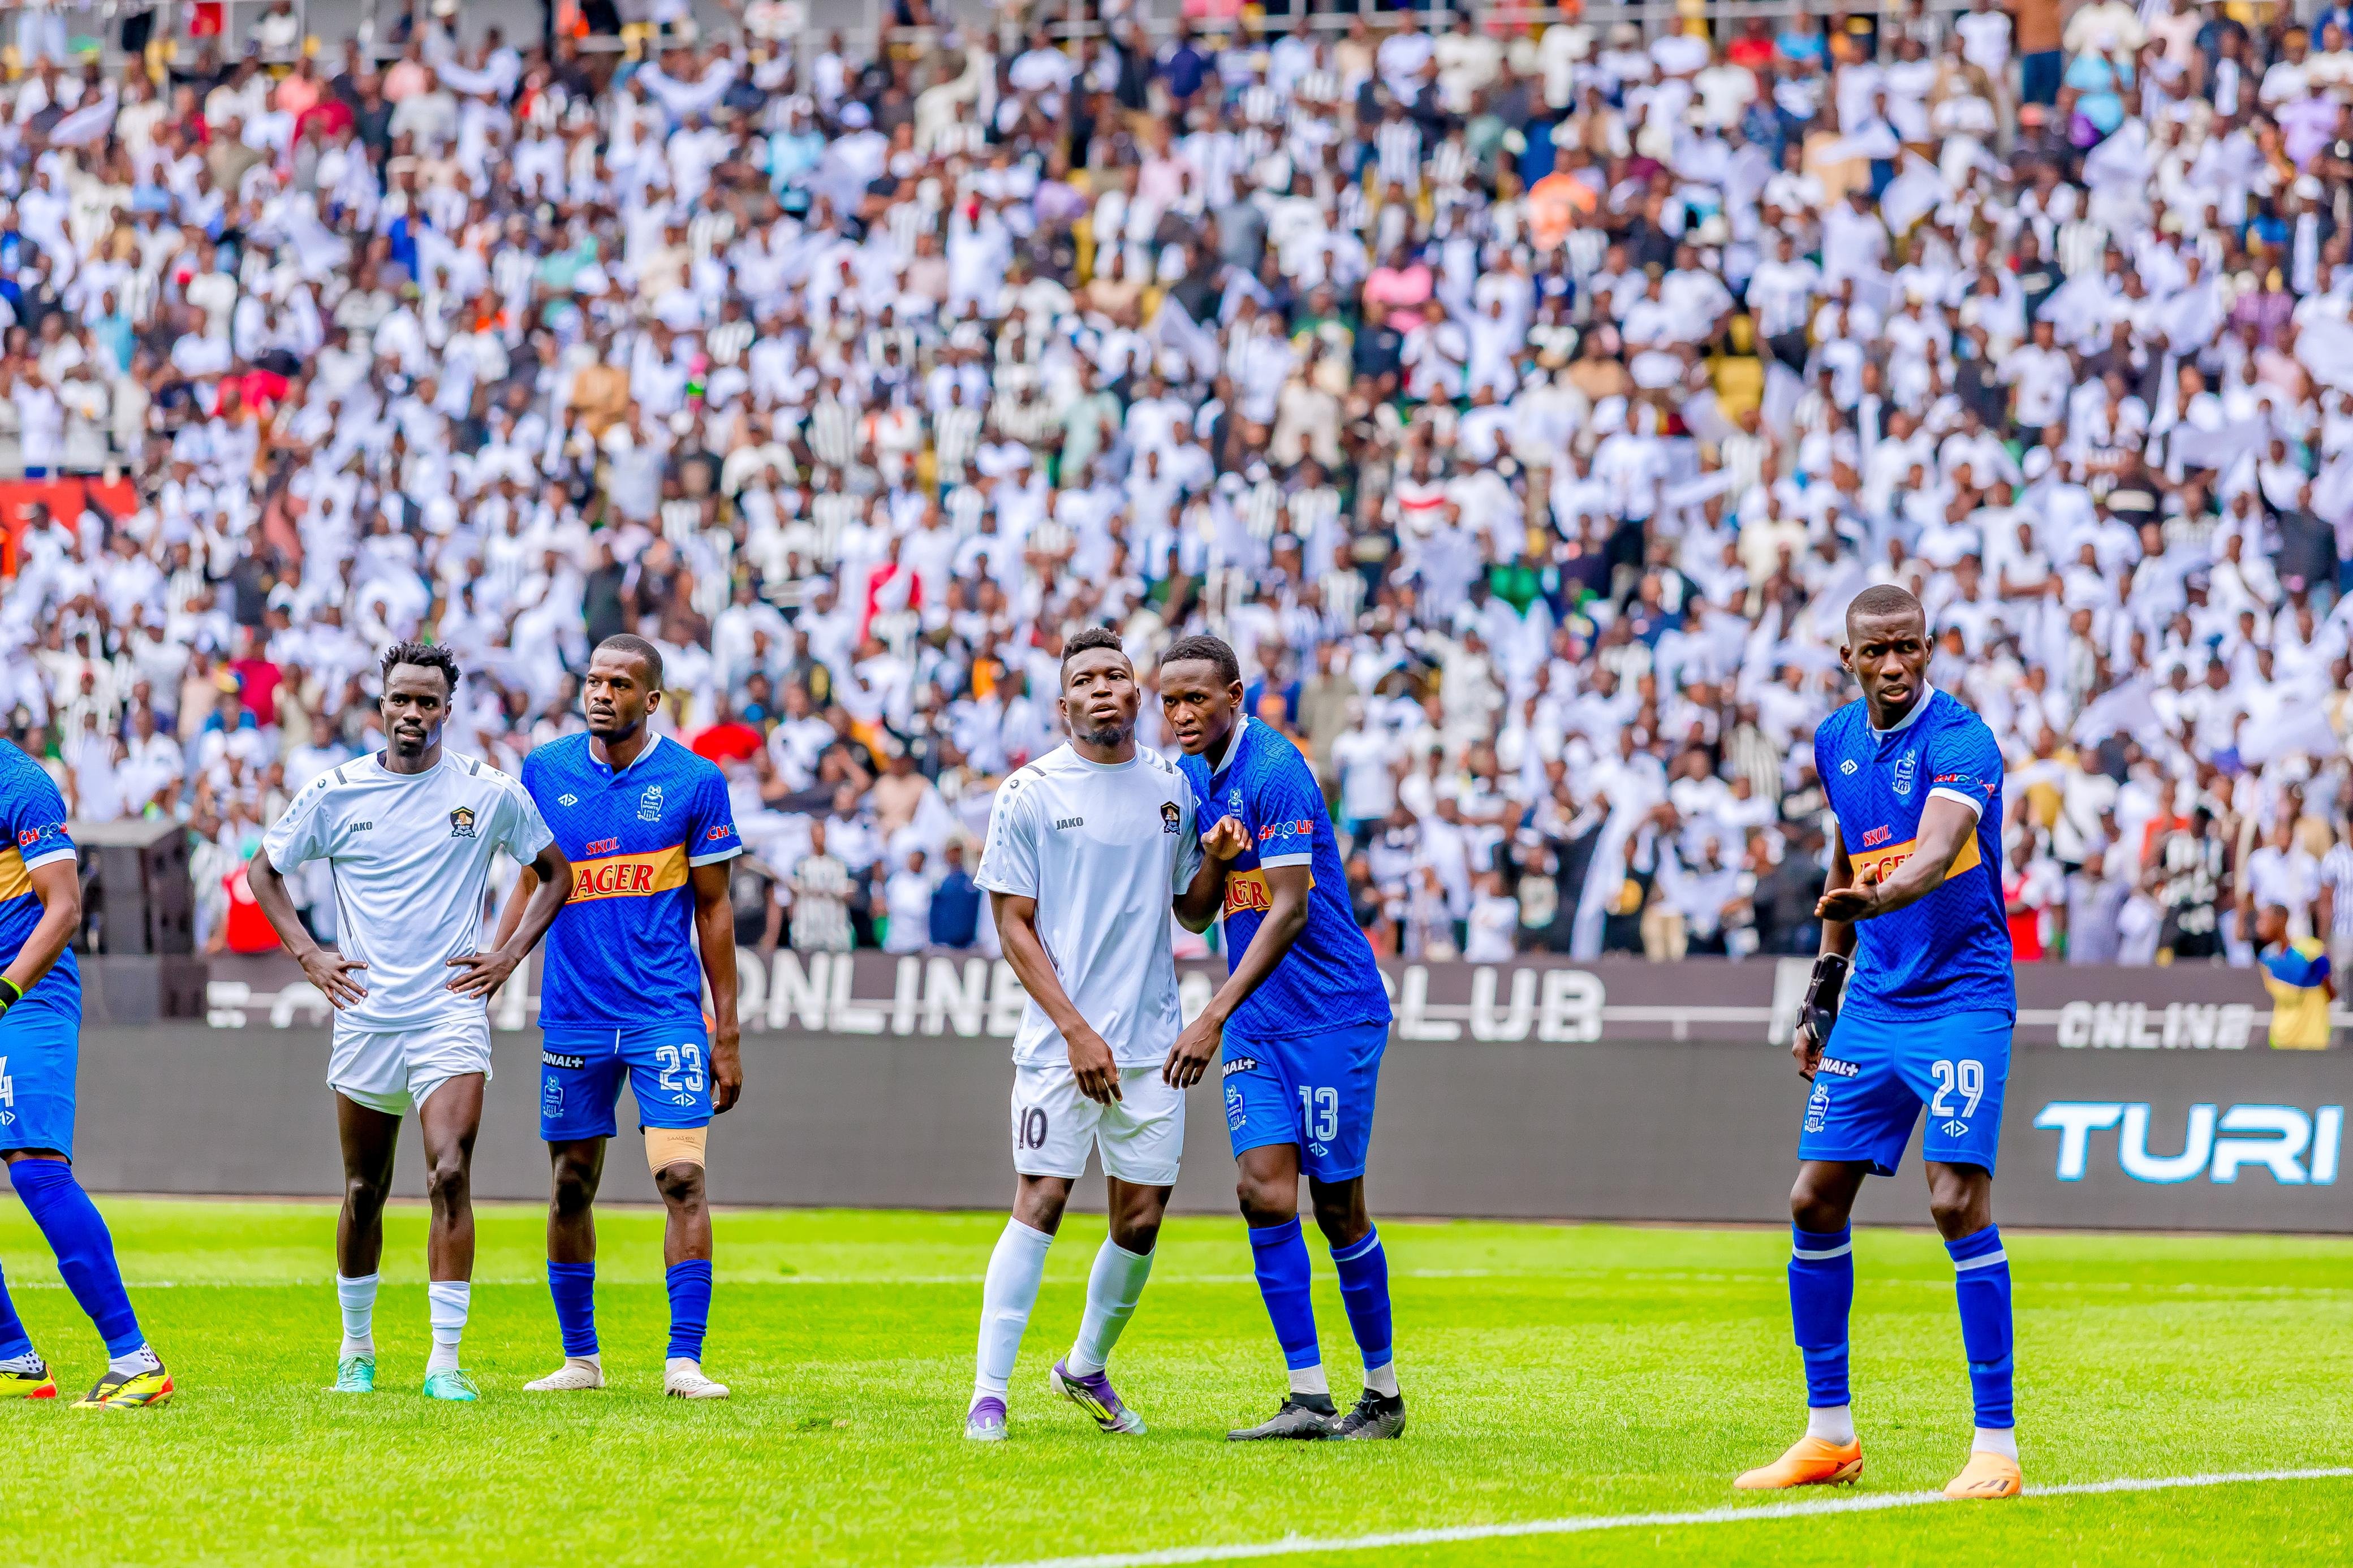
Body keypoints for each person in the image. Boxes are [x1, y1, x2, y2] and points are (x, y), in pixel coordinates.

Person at [1737, 585, 2022, 1500]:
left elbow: (1934, 851)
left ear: (1930, 648)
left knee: (1953, 1197)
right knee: (1814, 1199)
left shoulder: (1962, 740)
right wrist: (1824, 984)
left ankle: (1996, 1446)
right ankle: (1829, 1436)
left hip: (1963, 999)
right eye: (1876, 652)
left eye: (1909, 649)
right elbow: (1846, 850)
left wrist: (1878, 899)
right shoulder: (1835, 740)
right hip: (1874, 1002)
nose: (1894, 665)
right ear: (1849, 656)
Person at [247, 642, 574, 1402]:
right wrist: (309, 955)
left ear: (447, 712)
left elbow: (556, 872)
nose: (414, 715)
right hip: (366, 1016)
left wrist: (507, 956)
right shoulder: (336, 793)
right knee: (365, 1187)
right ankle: (355, 1349)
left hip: (448, 1013)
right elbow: (264, 869)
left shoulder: (487, 792)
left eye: (428, 703)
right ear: (382, 704)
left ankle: (444, 1362)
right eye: (402, 700)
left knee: (450, 1172)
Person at [963, 626, 1221, 1441]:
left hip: (1151, 1043)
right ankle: (988, 1393)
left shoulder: (1173, 785)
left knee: (1141, 1220)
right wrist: (1075, 1031)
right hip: (1059, 1046)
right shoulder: (1030, 791)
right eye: (1087, 678)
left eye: (1118, 674)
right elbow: (1013, 925)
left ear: (1136, 693)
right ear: (1064, 701)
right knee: (1040, 1199)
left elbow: (1192, 910)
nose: (1104, 687)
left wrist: (1215, 857)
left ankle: (1085, 1365)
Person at [1158, 633, 1406, 1442]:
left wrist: (1211, 1012)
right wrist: (1216, 860)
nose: (1181, 713)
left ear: (1237, 695)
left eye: (1197, 698)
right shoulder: (1196, 777)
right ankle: (1307, 1396)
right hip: (1261, 1020)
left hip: (1332, 1010)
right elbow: (1195, 912)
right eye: (1170, 700)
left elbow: (1291, 908)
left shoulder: (1275, 769)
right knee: (1262, 1191)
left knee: (1336, 1207)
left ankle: (1384, 1395)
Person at [493, 634, 745, 1400]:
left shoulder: (696, 782)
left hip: (665, 1015)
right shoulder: (545, 770)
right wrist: (493, 967)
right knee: (571, 1183)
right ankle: (580, 1360)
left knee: (681, 1179)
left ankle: (684, 1361)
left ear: (652, 699)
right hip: (572, 1014)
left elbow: (716, 911)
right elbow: (534, 882)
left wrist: (724, 1030)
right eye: (594, 680)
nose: (601, 693)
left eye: (620, 683)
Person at [0, 740, 173, 1407]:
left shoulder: (20, 783)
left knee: (36, 1166)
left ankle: (135, 1358)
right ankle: (14, 1357)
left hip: (29, 988)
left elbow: (65, 907)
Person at [2256, 904, 2334, 1050]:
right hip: (2282, 1036)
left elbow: (2329, 990)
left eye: (2264, 920)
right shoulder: (2266, 958)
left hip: (2312, 1035)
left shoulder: (2309, 948)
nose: (2259, 925)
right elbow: (2291, 985)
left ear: (2282, 920)